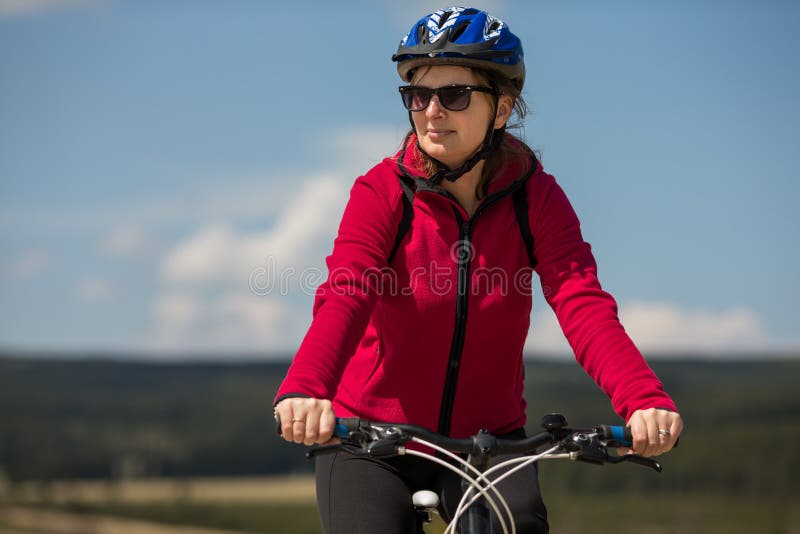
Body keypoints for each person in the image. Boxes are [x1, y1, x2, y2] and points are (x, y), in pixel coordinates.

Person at [274, 6, 683, 533]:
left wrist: (642, 398)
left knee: (518, 524)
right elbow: (347, 290)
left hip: (488, 443)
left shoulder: (537, 198)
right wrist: (307, 388)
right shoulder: (382, 191)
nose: (431, 111)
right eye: (418, 95)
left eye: (454, 95)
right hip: (369, 437)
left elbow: (582, 303)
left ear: (502, 108)